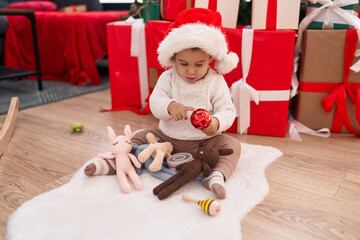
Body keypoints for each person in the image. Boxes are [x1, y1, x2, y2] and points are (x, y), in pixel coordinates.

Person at [131, 8, 241, 199]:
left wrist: (215, 123)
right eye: (184, 64)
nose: (191, 71)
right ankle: (123, 158)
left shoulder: (215, 81)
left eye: (199, 64)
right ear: (173, 57)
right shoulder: (168, 77)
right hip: (168, 138)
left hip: (204, 143)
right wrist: (169, 106)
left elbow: (227, 109)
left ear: (211, 59)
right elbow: (155, 101)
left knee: (232, 145)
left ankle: (217, 175)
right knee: (141, 135)